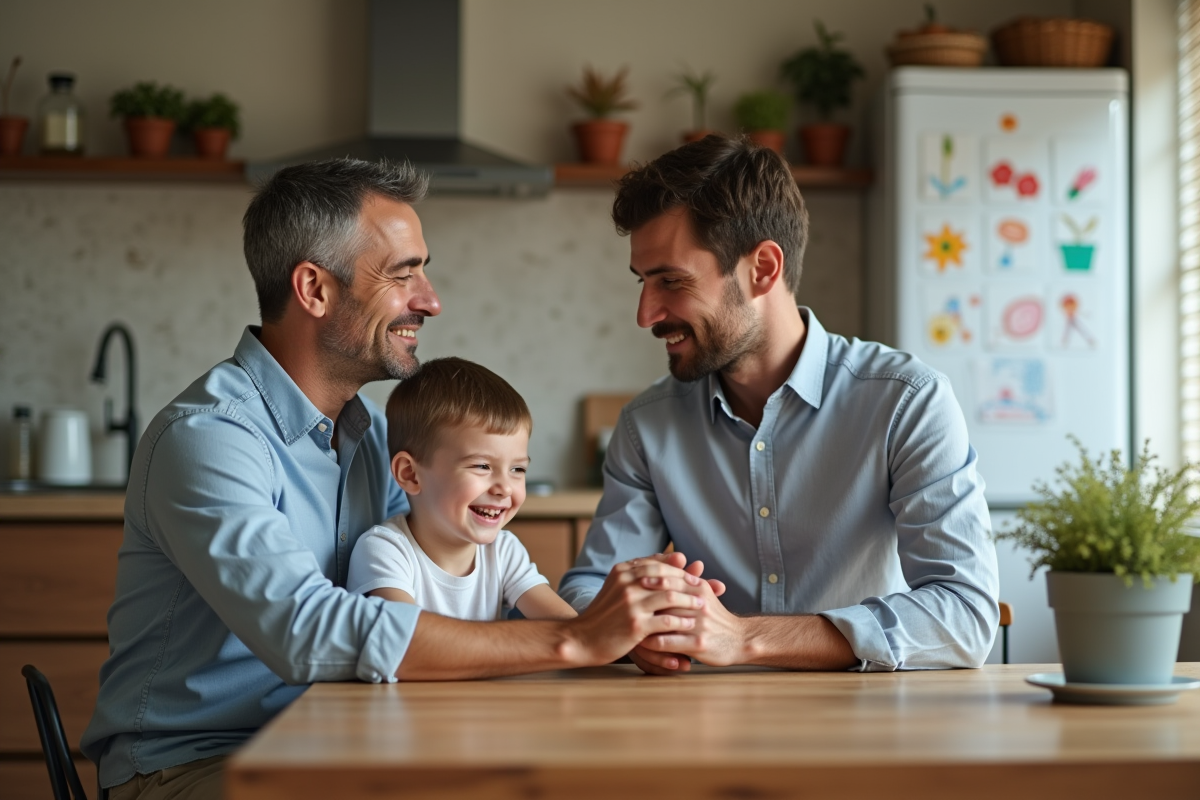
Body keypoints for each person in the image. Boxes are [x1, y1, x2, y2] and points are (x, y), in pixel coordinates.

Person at [82, 158, 705, 800]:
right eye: (404, 274)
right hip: (195, 765)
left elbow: (430, 583)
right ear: (314, 289)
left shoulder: (372, 437)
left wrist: (630, 630)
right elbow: (307, 631)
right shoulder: (209, 440)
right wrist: (573, 640)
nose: (430, 300)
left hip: (338, 738)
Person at [558, 135, 1000, 675]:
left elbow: (965, 615)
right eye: (643, 283)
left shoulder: (906, 401)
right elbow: (588, 587)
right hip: (704, 728)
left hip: (870, 728)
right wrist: (626, 632)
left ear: (763, 268)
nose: (646, 313)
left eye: (671, 281)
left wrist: (744, 638)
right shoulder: (645, 425)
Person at [347, 357, 576, 621]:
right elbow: (410, 641)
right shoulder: (384, 550)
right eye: (481, 466)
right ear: (410, 474)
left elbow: (570, 629)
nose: (504, 488)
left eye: (518, 470)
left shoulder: (504, 551)